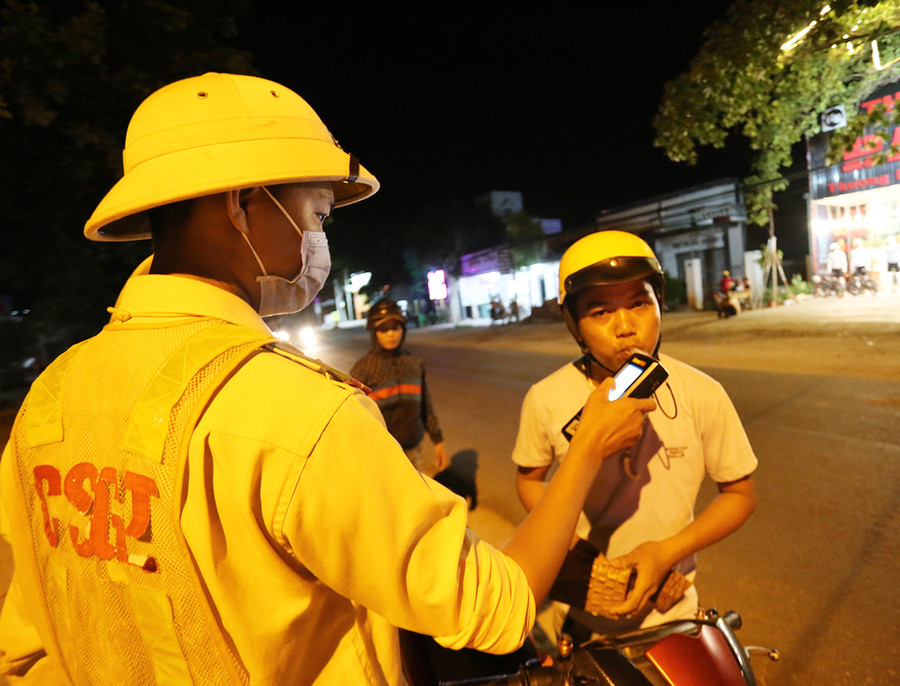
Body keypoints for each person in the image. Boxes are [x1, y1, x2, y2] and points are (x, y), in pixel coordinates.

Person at [0, 73, 654, 685]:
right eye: (315, 216)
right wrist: (590, 446)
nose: (319, 242)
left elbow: (23, 645)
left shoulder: (51, 398)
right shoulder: (298, 415)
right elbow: (496, 606)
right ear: (242, 204)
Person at [512, 230, 758, 640]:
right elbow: (528, 479)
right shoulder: (546, 398)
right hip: (581, 623)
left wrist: (668, 552)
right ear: (573, 323)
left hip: (673, 614)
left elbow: (740, 496)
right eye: (601, 312)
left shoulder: (703, 392)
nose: (625, 327)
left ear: (659, 305)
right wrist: (576, 552)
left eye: (639, 303)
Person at [351, 299, 447, 472]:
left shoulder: (414, 363)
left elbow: (426, 406)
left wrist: (438, 441)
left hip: (413, 450)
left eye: (395, 327)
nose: (391, 334)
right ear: (374, 332)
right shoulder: (362, 369)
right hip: (381, 454)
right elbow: (354, 418)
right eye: (384, 329)